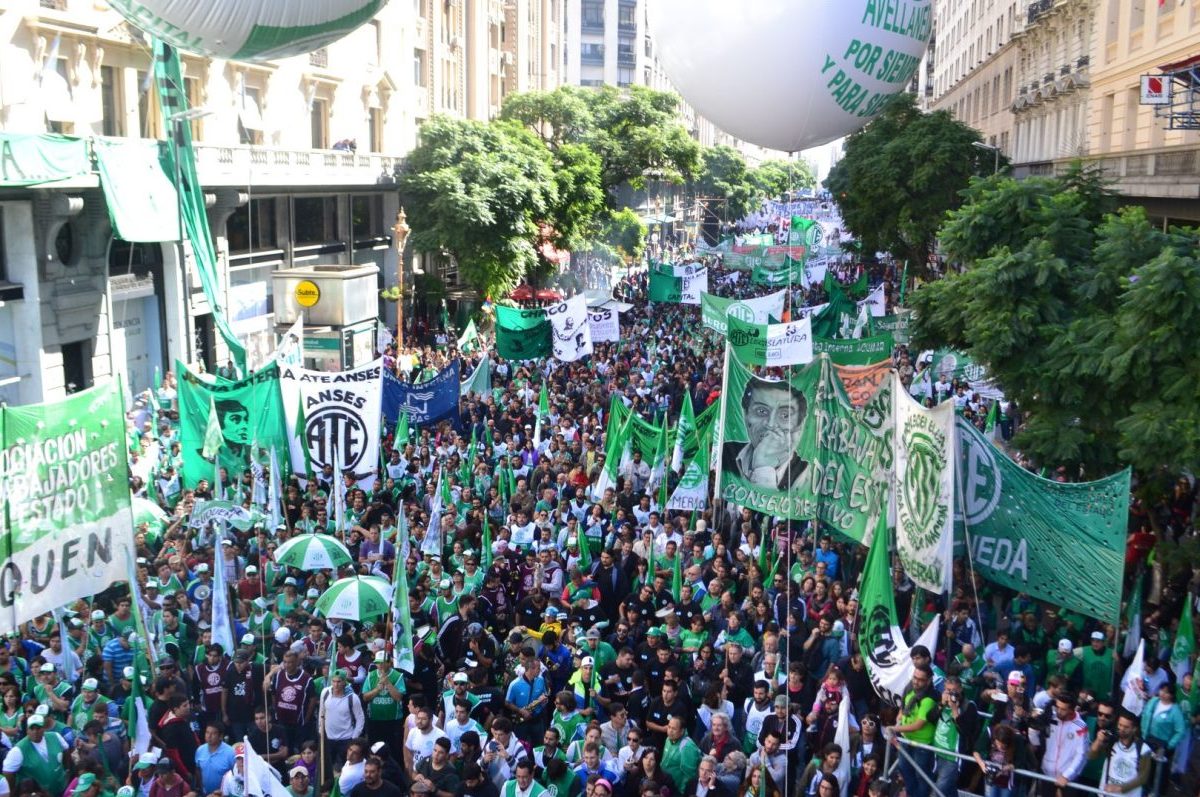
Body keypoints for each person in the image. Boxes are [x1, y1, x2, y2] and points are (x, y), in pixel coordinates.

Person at [720, 378, 808, 491]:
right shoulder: (725, 452)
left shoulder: (808, 477)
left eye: (785, 415)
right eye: (761, 411)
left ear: (799, 425)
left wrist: (763, 470)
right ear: (745, 415)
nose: (771, 424)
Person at [888, 664, 937, 797]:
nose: (915, 681)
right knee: (904, 768)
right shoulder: (910, 690)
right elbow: (904, 708)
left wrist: (895, 728)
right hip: (907, 739)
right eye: (914, 677)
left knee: (921, 774)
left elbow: (918, 725)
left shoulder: (928, 700)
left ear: (928, 681)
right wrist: (900, 716)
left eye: (920, 679)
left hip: (922, 744)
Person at [1088, 709, 1151, 797]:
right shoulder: (1112, 741)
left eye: (1126, 727)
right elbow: (1091, 756)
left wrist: (1120, 788)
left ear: (1134, 729)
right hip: (1107, 793)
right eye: (1120, 725)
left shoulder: (1143, 749)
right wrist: (1098, 741)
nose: (1121, 729)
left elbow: (1143, 777)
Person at [1036, 691, 1089, 796]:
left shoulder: (1081, 727)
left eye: (1063, 709)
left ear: (1071, 709)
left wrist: (1067, 775)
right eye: (1057, 707)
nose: (1059, 711)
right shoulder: (1050, 717)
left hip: (1067, 780)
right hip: (1047, 775)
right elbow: (1036, 741)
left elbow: (1082, 755)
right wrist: (1034, 726)